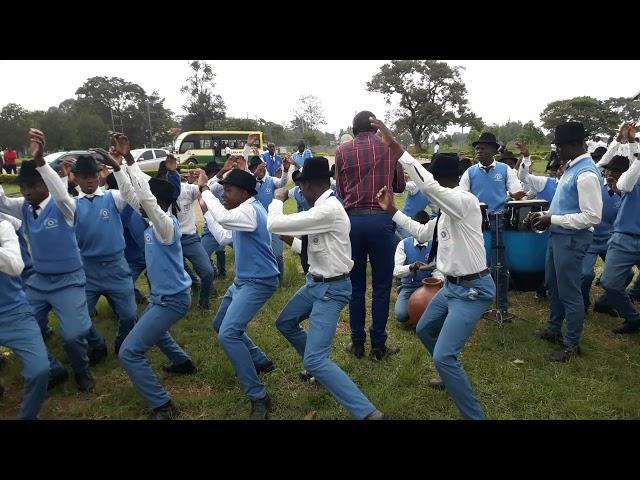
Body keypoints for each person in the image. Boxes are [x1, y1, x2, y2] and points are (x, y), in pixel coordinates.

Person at [373, 117, 495, 420]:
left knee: (444, 354)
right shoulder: (444, 214)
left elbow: (428, 187)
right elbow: (420, 231)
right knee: (426, 329)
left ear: (441, 181)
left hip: (473, 290)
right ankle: (447, 372)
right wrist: (392, 210)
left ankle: (474, 416)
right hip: (451, 287)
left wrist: (397, 148)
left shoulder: (463, 202)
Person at [266, 156, 389, 420]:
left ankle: (369, 414)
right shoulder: (324, 209)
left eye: (301, 188)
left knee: (316, 358)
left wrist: (278, 198)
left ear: (311, 186)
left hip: (331, 291)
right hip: (316, 283)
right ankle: (317, 370)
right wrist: (291, 241)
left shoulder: (327, 210)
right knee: (285, 322)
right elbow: (314, 250)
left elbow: (273, 223)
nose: (299, 192)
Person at [0, 129, 94, 392]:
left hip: (69, 281)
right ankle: (53, 368)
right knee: (26, 326)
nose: (27, 192)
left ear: (45, 183)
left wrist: (41, 161)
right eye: (24, 187)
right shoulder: (25, 208)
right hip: (39, 282)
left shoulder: (64, 207)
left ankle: (82, 370)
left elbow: (61, 193)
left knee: (74, 335)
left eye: (33, 185)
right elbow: (3, 202)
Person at [113, 134, 197, 420]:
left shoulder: (165, 225)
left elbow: (145, 198)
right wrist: (118, 167)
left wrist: (130, 162)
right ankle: (182, 362)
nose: (142, 203)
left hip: (171, 300)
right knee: (151, 328)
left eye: (148, 200)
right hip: (165, 298)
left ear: (158, 203)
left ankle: (162, 406)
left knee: (129, 352)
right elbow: (131, 194)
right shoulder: (153, 222)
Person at [198, 167, 280, 420]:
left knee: (229, 335)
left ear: (244, 193)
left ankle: (258, 396)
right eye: (222, 190)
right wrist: (206, 211)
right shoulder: (244, 210)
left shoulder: (250, 211)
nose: (223, 194)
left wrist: (204, 190)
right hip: (244, 280)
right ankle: (259, 360)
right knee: (220, 324)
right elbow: (223, 236)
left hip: (259, 281)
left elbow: (223, 218)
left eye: (228, 190)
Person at [335, 110, 406, 360]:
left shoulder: (342, 151)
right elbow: (399, 186)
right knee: (382, 285)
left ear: (353, 130)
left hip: (352, 221)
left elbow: (342, 189)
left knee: (355, 285)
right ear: (376, 128)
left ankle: (356, 343)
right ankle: (378, 345)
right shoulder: (388, 147)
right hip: (381, 219)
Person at [55, 153, 139, 364]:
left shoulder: (113, 197)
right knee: (82, 318)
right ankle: (97, 343)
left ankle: (122, 343)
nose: (89, 180)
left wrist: (118, 168)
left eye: (92, 175)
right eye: (84, 176)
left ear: (99, 175)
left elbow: (131, 194)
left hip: (116, 267)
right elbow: (59, 198)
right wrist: (63, 179)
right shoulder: (73, 204)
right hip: (87, 270)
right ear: (76, 178)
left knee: (129, 315)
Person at [531, 122, 603, 362]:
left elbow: (592, 216)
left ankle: (572, 344)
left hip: (572, 239)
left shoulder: (586, 174)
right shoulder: (572, 168)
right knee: (553, 285)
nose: (558, 151)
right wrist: (546, 216)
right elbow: (562, 201)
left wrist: (553, 218)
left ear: (575, 144)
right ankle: (553, 330)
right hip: (559, 235)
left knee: (569, 292)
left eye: (560, 146)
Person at [459, 132, 526, 319]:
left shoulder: (505, 170)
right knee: (475, 264)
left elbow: (516, 190)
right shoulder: (470, 172)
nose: (479, 151)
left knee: (499, 266)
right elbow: (462, 196)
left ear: (494, 150)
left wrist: (517, 194)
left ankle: (502, 307)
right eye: (477, 148)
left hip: (498, 221)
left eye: (483, 148)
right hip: (475, 222)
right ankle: (478, 304)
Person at [0, 215, 50, 419]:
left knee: (40, 370)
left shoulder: (3, 226)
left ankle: (28, 416)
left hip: (14, 312)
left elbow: (15, 266)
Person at [598, 123, 640, 335]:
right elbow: (626, 181)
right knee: (610, 283)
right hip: (624, 236)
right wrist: (632, 142)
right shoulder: (632, 176)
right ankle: (634, 318)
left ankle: (633, 293)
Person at [393, 210, 444, 324]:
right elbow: (396, 271)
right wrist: (411, 267)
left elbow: (438, 269)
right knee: (401, 315)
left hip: (428, 287)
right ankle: (405, 297)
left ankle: (421, 313)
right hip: (409, 287)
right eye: (419, 225)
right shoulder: (403, 244)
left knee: (438, 313)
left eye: (424, 225)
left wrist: (438, 280)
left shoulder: (435, 244)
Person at [248, 154, 291, 283]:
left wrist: (286, 170)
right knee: (260, 254)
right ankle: (265, 279)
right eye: (254, 168)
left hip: (274, 223)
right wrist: (254, 175)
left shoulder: (271, 180)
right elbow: (244, 181)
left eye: (260, 167)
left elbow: (282, 182)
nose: (258, 170)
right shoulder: (250, 183)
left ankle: (280, 280)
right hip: (258, 226)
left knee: (277, 254)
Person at [200, 161, 228, 278]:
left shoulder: (222, 185)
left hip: (225, 225)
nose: (215, 175)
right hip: (210, 227)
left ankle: (222, 272)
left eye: (216, 173)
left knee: (220, 250)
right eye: (213, 173)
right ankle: (213, 270)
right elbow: (207, 189)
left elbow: (207, 188)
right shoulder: (212, 185)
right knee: (203, 254)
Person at [396, 166, 431, 239]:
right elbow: (400, 190)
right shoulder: (415, 185)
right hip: (405, 221)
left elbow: (435, 209)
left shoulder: (429, 190)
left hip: (415, 222)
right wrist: (403, 181)